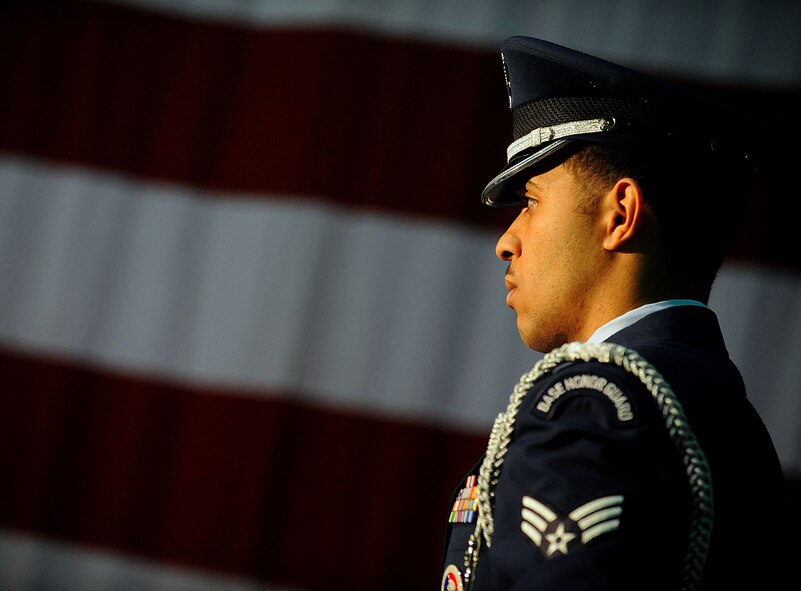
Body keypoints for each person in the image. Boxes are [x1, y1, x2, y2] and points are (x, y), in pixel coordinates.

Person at [440, 36, 789, 591]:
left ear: (620, 214)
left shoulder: (595, 404)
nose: (506, 242)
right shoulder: (715, 402)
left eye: (530, 201)